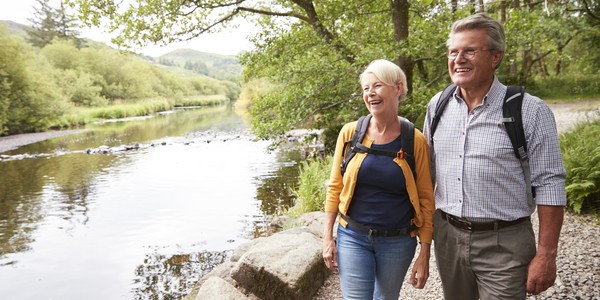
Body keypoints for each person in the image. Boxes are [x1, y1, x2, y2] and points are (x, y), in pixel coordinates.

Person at [423, 13, 567, 300]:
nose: (458, 59)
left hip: (506, 241)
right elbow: (425, 175)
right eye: (453, 52)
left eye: (470, 51)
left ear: (496, 57)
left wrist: (547, 255)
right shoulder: (437, 105)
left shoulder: (529, 110)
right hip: (448, 236)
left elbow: (550, 183)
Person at [322, 59, 435, 299]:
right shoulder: (350, 134)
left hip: (398, 241)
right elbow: (335, 187)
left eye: (377, 86)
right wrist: (327, 238)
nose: (370, 93)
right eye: (365, 88)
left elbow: (426, 197)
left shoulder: (415, 141)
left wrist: (425, 252)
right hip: (352, 235)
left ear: (398, 88)